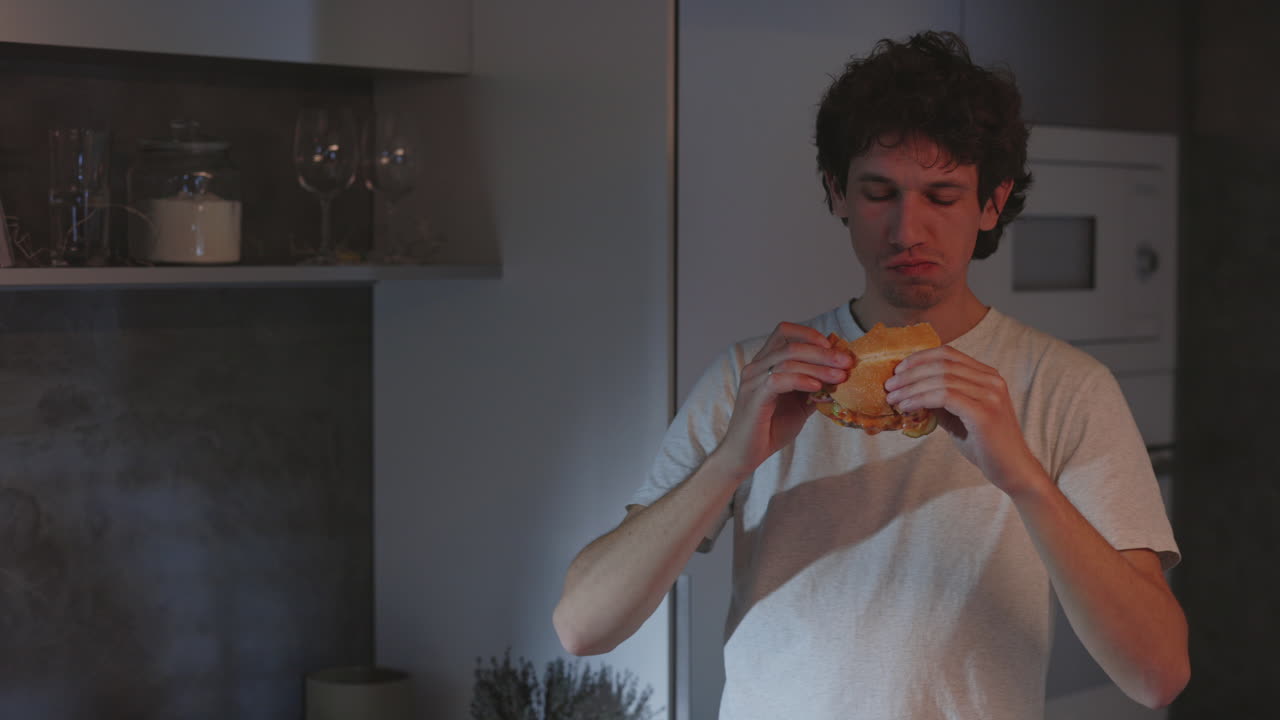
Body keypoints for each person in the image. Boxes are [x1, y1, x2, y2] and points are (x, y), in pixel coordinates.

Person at [552, 31, 1188, 719]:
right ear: (838, 194)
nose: (907, 229)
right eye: (879, 192)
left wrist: (1022, 478)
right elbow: (583, 627)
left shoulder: (1068, 387)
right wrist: (732, 461)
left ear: (991, 203)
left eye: (942, 196)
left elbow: (1157, 677)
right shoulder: (755, 374)